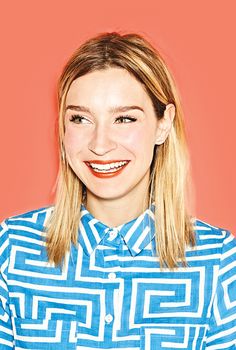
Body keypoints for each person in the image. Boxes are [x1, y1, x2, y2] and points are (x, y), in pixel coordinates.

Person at [0, 32, 235, 350]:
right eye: (81, 119)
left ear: (163, 124)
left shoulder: (220, 262)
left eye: (124, 118)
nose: (100, 144)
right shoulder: (10, 250)